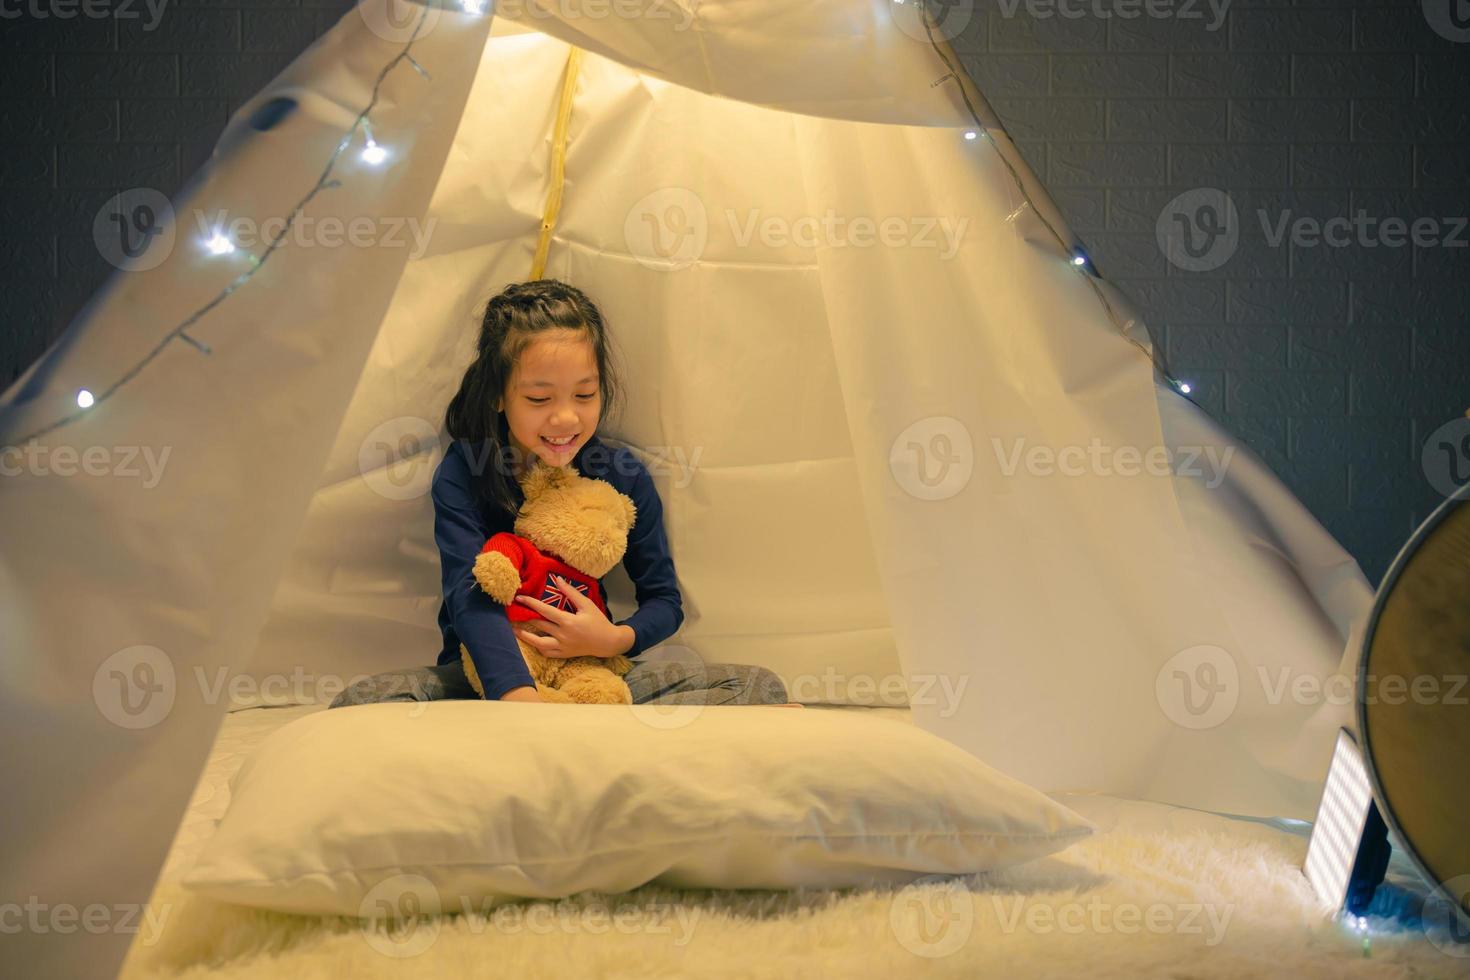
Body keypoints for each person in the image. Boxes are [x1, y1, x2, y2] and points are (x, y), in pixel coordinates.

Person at [330, 279, 799, 708]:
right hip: (487, 681)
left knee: (758, 687)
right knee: (362, 701)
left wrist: (610, 640)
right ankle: (567, 732)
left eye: (584, 395)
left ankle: (593, 727)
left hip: (592, 671)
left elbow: (663, 600)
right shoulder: (465, 472)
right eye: (539, 399)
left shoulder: (621, 475)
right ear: (499, 395)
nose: (565, 419)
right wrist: (519, 698)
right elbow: (468, 597)